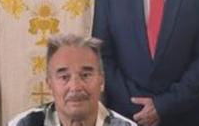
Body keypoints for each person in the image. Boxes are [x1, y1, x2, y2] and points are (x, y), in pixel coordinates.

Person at [8, 34, 136, 126]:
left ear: (101, 81)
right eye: (64, 77)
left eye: (85, 75)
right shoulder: (23, 123)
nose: (75, 87)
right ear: (49, 85)